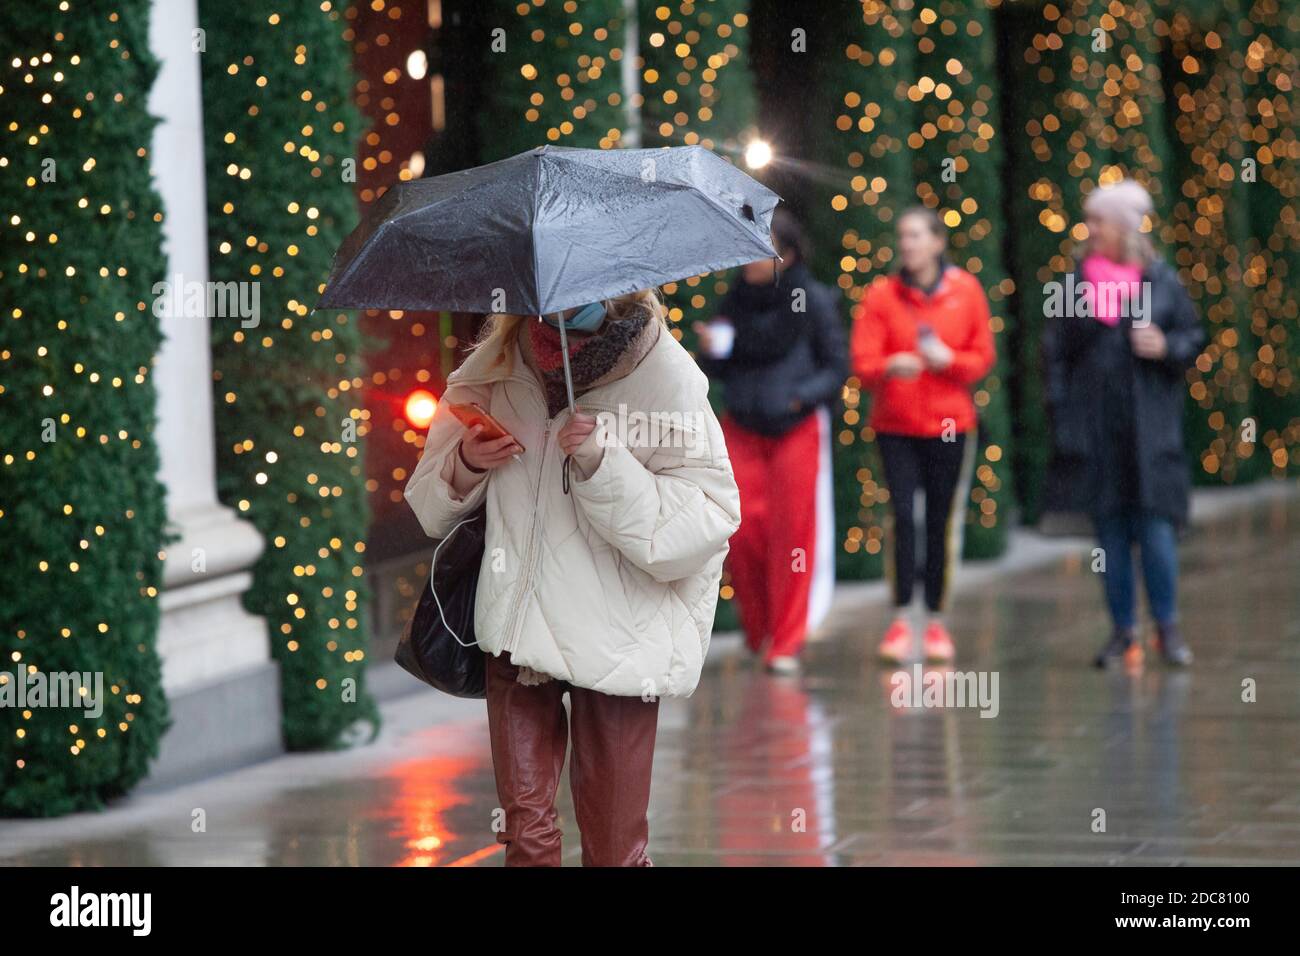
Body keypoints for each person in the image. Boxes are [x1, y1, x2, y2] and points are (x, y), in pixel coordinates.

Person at [404, 290, 740, 865]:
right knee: (526, 839)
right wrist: (466, 463)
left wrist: (603, 463)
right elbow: (429, 507)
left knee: (614, 846)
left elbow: (707, 517)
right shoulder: (493, 365)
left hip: (619, 633)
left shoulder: (665, 375)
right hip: (517, 628)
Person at [1042, 179, 1205, 667]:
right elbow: (1053, 353)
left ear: (1123, 227)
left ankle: (1168, 628)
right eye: (1089, 220)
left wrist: (1168, 347)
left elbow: (1193, 336)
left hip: (1150, 431)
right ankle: (1121, 631)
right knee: (1109, 534)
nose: (1090, 229)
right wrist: (1061, 413)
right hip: (1097, 431)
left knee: (1156, 530)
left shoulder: (1161, 280)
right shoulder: (1072, 286)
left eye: (1099, 221)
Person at [693, 208, 848, 676]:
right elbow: (719, 367)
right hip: (742, 426)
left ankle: (785, 642)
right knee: (742, 535)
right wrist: (711, 349)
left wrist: (801, 398)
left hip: (793, 430)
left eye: (762, 248)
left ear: (788, 254)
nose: (750, 260)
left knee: (791, 538)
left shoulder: (812, 299)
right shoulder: (735, 301)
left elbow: (837, 366)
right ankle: (757, 634)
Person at [850, 206, 995, 664]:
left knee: (940, 520)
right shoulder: (881, 295)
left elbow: (982, 358)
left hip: (951, 425)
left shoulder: (965, 290)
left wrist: (947, 359)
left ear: (937, 242)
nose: (908, 244)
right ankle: (899, 618)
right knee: (901, 518)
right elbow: (863, 362)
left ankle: (935, 621)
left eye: (916, 235)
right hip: (896, 425)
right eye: (903, 236)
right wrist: (891, 365)